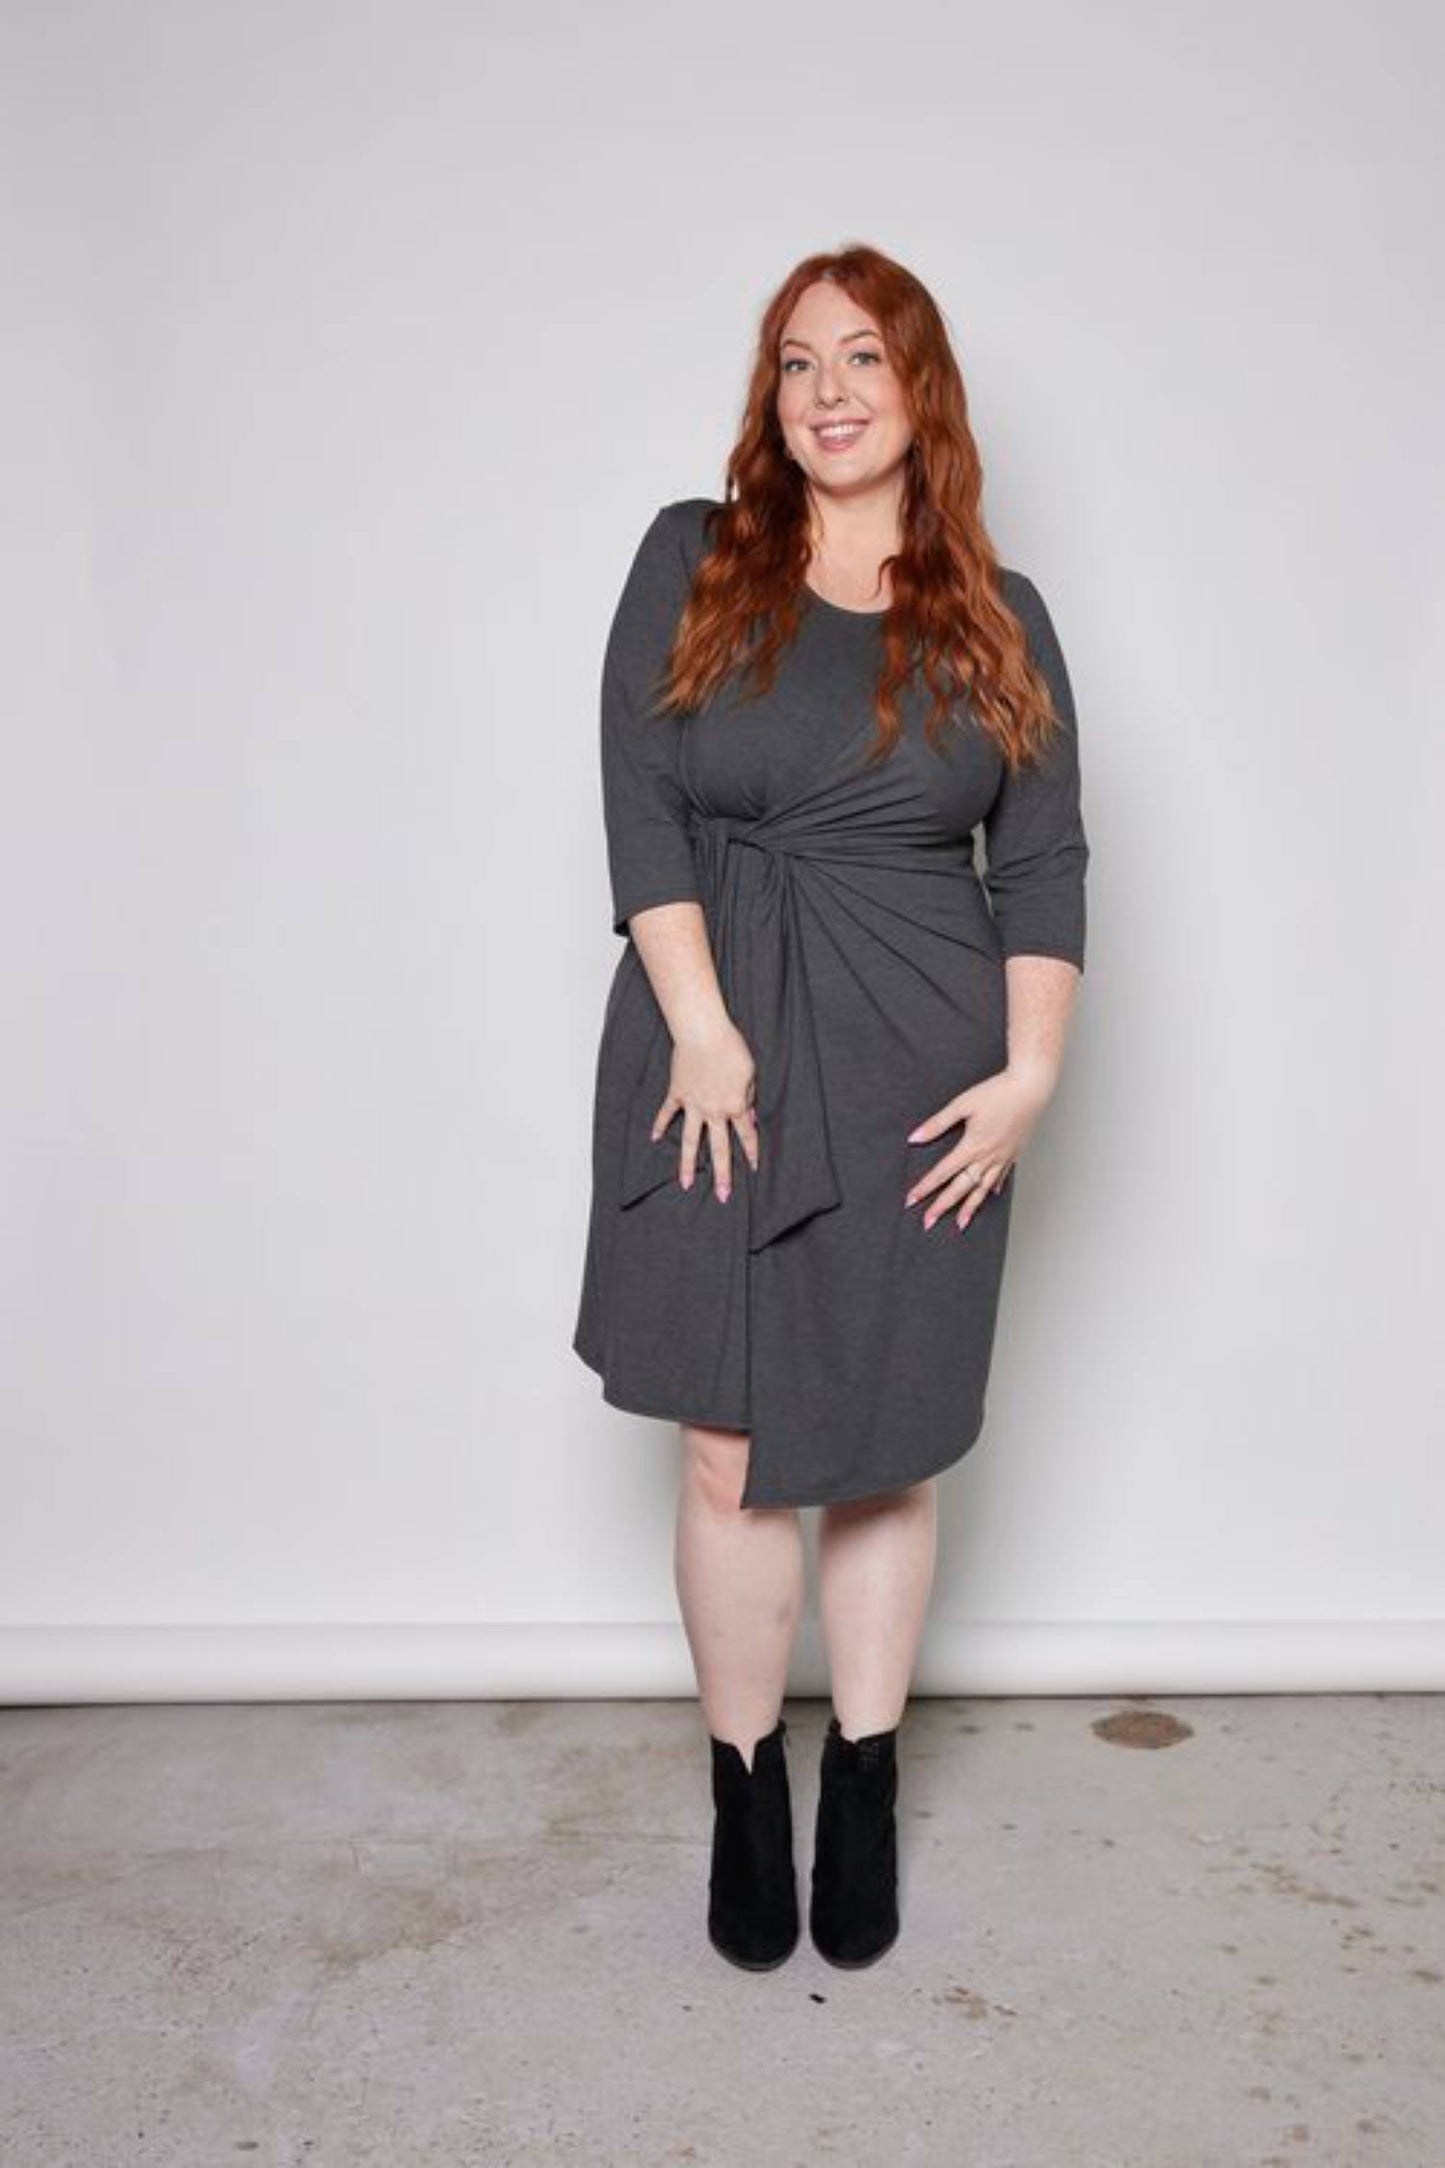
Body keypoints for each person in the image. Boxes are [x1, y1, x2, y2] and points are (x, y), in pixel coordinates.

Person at [572, 242, 1090, 1970]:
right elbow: (641, 805)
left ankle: (862, 1780)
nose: (828, 392)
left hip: (920, 1069)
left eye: (861, 358)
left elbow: (1043, 858)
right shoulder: (690, 557)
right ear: (767, 395)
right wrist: (700, 1031)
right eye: (795, 363)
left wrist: (1027, 1077)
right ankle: (742, 1786)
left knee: (880, 1447)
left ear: (918, 386)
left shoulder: (1000, 613)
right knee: (724, 1447)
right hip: (706, 1045)